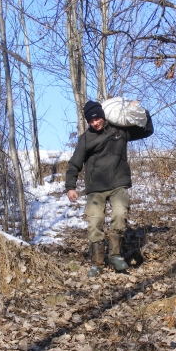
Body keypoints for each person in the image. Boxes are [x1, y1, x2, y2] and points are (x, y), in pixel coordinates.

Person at [65, 100, 154, 277]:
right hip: (95, 188)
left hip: (118, 185)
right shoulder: (86, 139)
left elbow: (147, 130)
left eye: (97, 118)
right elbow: (74, 163)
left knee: (120, 214)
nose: (95, 123)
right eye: (90, 121)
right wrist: (70, 186)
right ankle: (97, 264)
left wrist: (140, 111)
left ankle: (115, 255)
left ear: (102, 116)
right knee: (95, 222)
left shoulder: (120, 129)